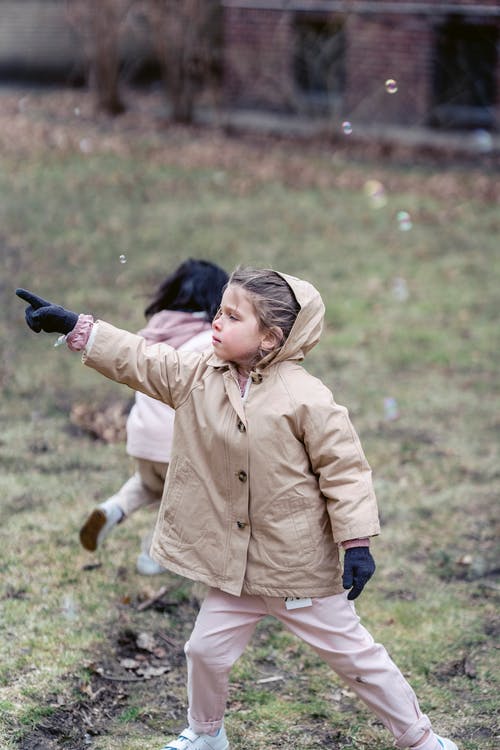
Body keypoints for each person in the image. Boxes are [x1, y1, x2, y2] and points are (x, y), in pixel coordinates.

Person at [16, 268, 458, 750]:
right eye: (219, 310)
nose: (217, 322)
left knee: (356, 658)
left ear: (270, 337)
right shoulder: (197, 373)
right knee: (203, 651)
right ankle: (206, 735)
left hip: (298, 568)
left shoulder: (307, 398)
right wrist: (77, 328)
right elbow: (141, 359)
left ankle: (419, 738)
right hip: (235, 571)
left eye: (232, 315)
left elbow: (345, 471)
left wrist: (355, 543)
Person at [78, 258, 229, 575]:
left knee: (149, 485)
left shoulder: (155, 331)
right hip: (181, 448)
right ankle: (155, 552)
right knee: (197, 506)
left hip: (144, 444)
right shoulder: (210, 341)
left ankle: (112, 509)